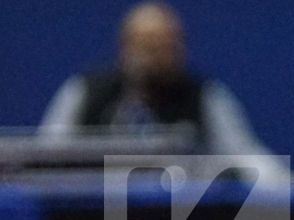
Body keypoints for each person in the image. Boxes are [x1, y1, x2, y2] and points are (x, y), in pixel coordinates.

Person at [37, 2, 276, 160]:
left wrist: (284, 185)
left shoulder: (203, 95)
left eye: (167, 47)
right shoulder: (86, 91)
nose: (158, 57)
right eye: (148, 47)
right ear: (125, 48)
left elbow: (244, 156)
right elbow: (47, 157)